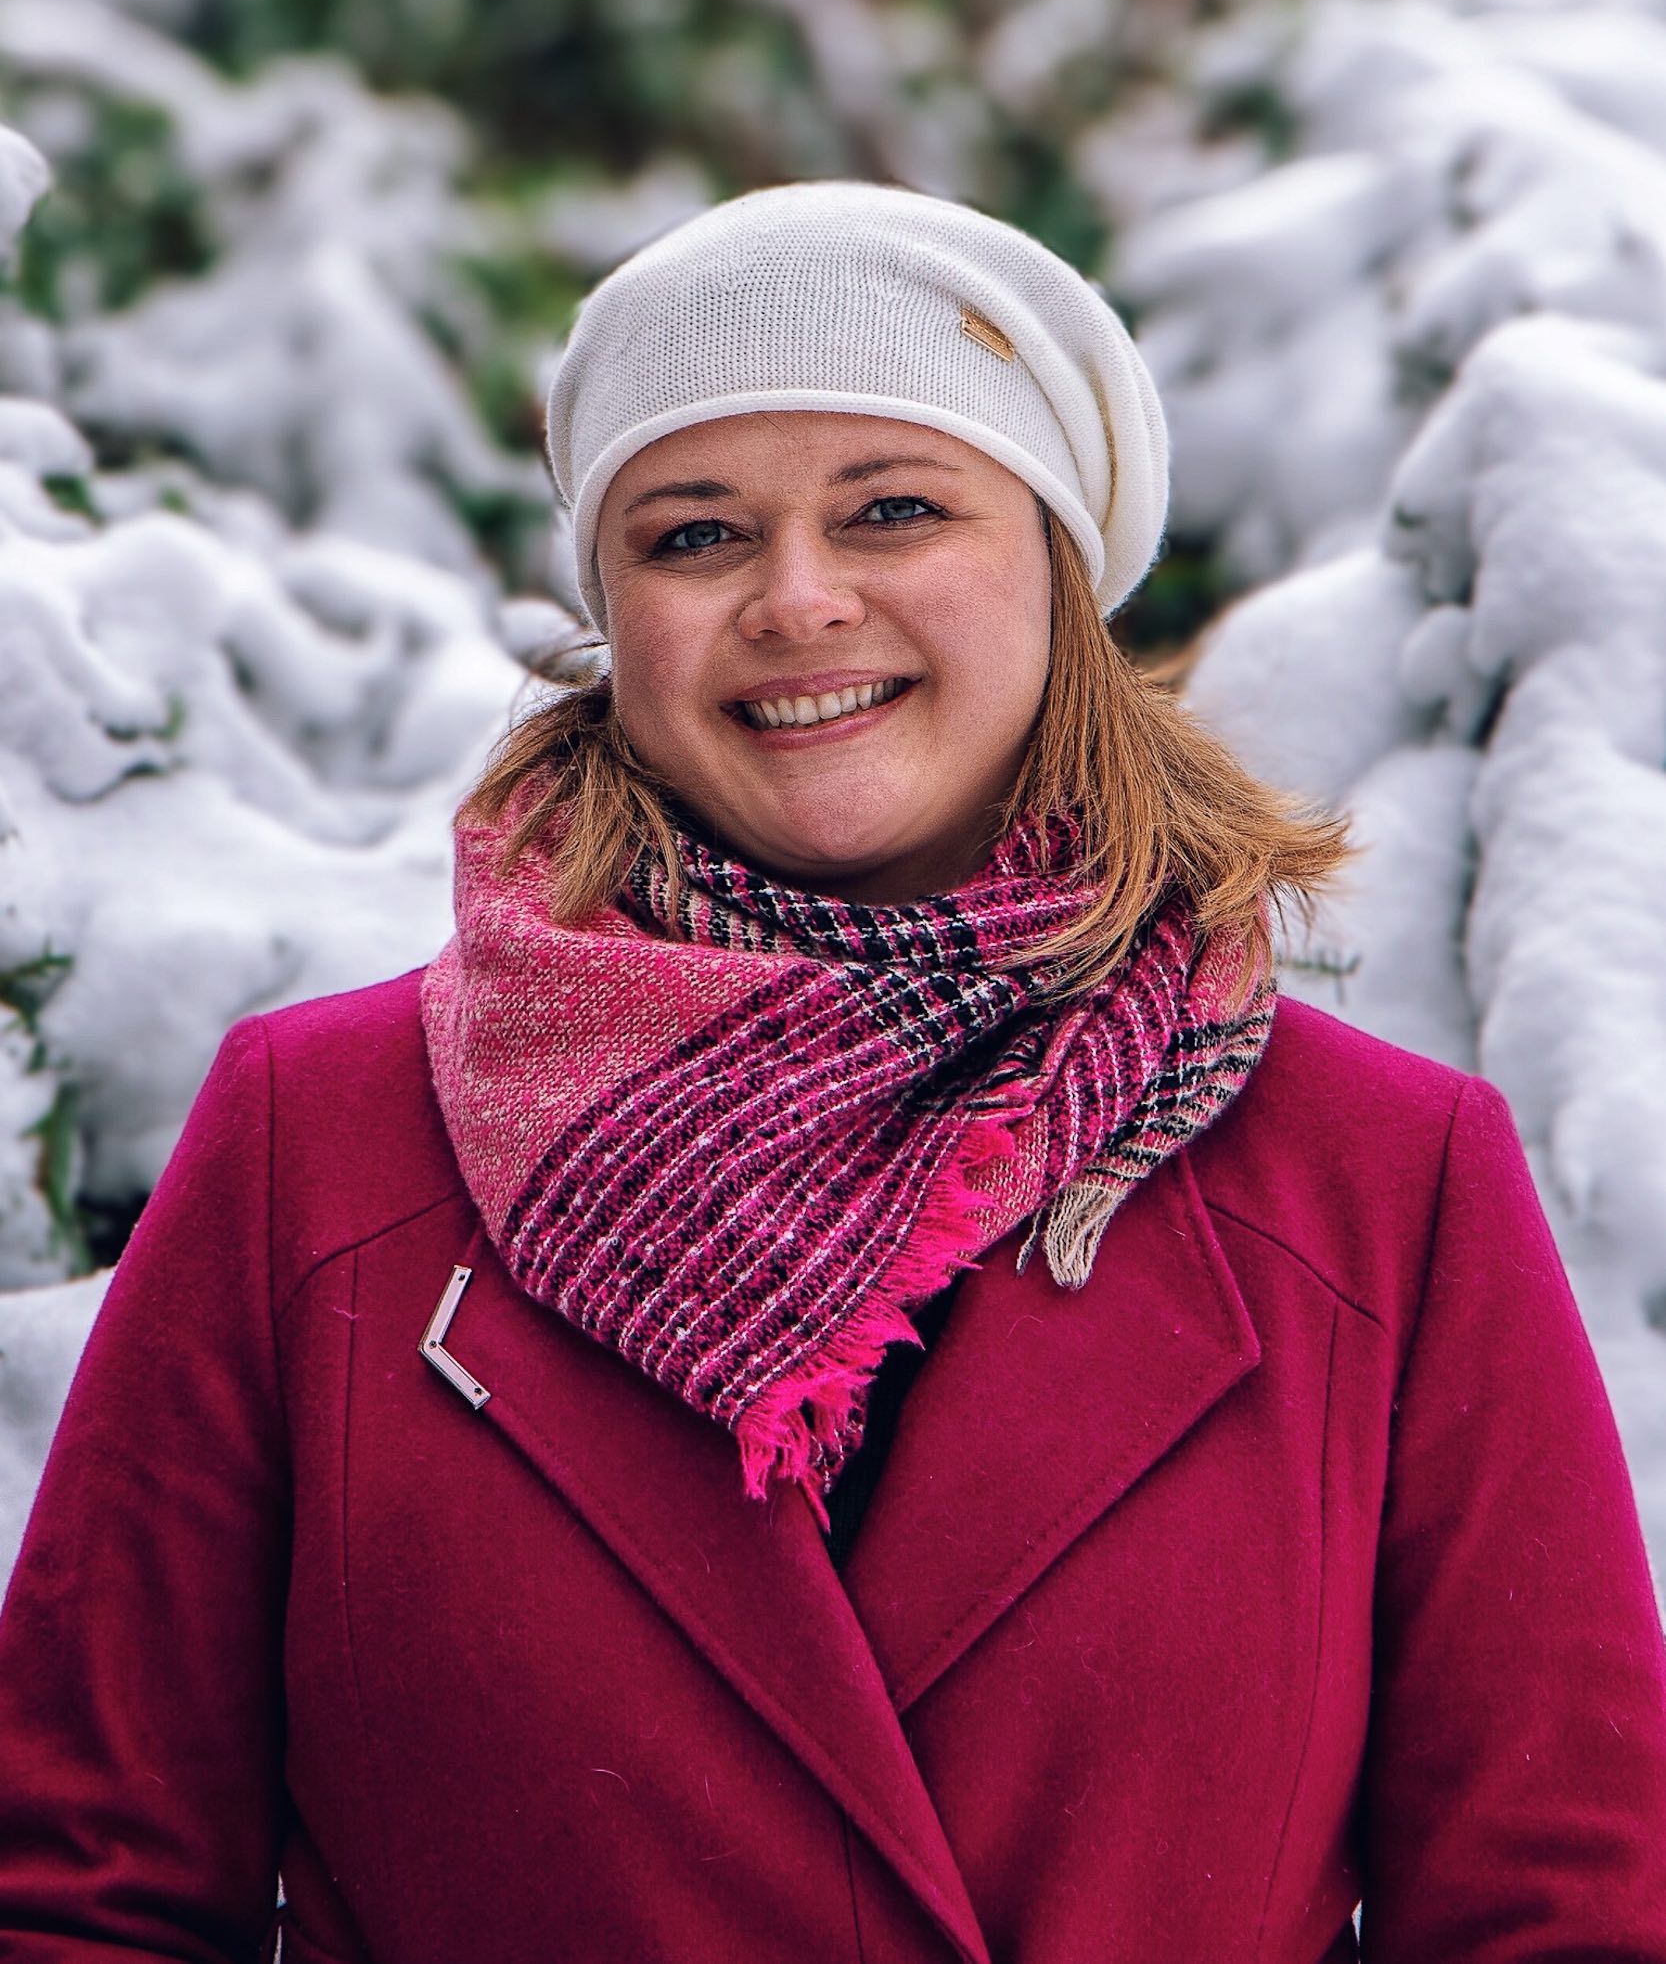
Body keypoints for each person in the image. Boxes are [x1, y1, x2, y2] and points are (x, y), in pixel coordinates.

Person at [0, 180, 1661, 1964]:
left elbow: (1552, 1913)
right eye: (695, 535)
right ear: (610, 613)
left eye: (892, 508)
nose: (798, 600)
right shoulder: (313, 1151)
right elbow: (88, 1893)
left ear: (1056, 569)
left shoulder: (1376, 1180)